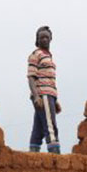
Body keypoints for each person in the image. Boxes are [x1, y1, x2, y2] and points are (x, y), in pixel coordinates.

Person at [28, 26, 61, 154]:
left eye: (47, 37)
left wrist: (56, 100)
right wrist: (36, 96)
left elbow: (50, 79)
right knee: (50, 126)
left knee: (39, 128)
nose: (45, 39)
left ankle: (33, 154)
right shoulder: (36, 55)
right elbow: (31, 77)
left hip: (50, 95)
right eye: (42, 37)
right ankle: (55, 156)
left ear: (51, 39)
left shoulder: (48, 56)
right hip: (43, 95)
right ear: (37, 39)